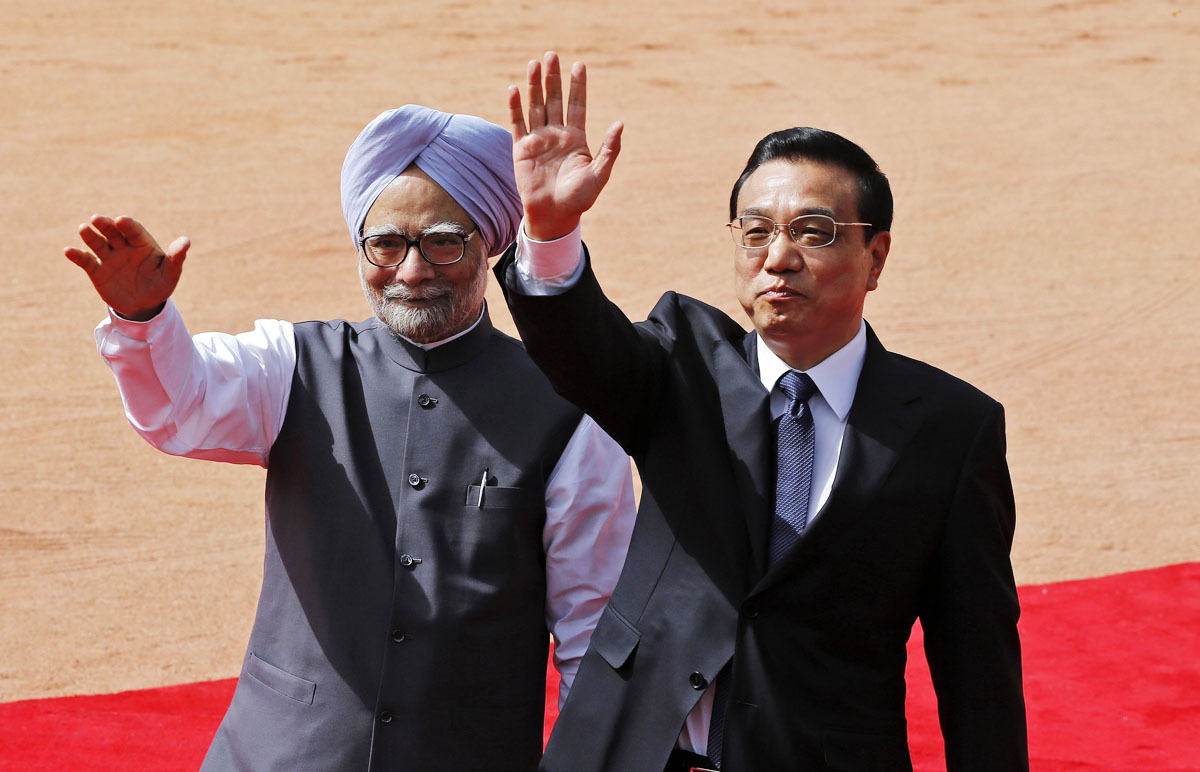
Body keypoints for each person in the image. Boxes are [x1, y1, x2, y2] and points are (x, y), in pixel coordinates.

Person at [496, 53, 1029, 771]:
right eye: (755, 231)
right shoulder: (682, 366)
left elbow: (977, 663)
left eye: (813, 231)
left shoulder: (950, 429)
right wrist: (552, 232)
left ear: (876, 256)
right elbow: (579, 349)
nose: (777, 257)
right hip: (632, 750)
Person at [63, 104, 636, 772]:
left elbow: (591, 633)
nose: (412, 270)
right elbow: (178, 407)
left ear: (491, 244)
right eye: (386, 244)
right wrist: (144, 320)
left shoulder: (568, 414)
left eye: (444, 242)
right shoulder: (293, 364)